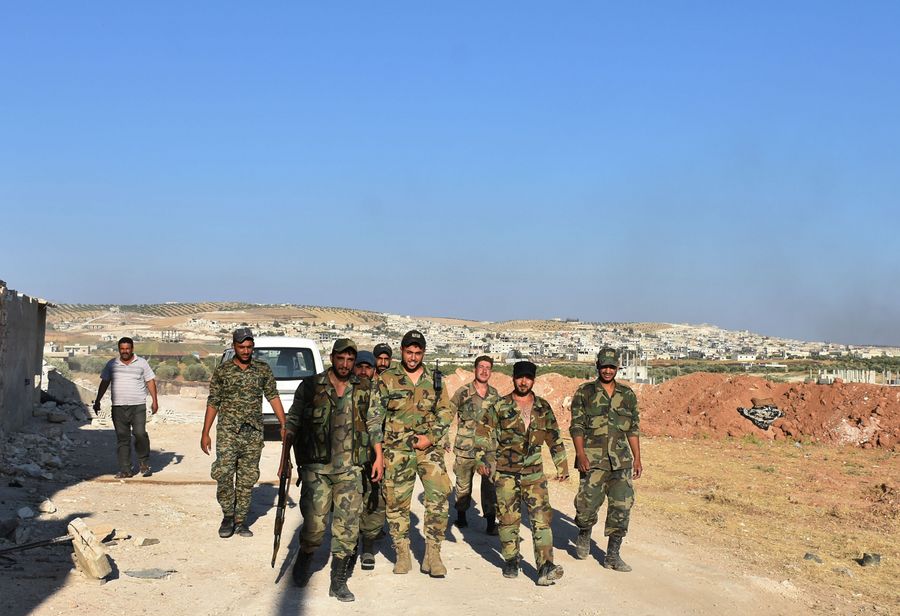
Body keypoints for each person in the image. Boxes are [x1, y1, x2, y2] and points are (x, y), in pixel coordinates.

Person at [286, 339, 383, 602]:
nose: (345, 364)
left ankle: (338, 581)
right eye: (341, 358)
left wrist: (379, 456)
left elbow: (374, 423)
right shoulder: (311, 386)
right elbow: (293, 421)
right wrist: (285, 458)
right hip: (316, 469)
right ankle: (305, 555)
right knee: (315, 527)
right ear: (332, 358)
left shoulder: (365, 388)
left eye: (350, 360)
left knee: (347, 528)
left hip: (350, 469)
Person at [475, 360, 568, 585]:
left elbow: (554, 437)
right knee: (508, 519)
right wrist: (482, 459)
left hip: (534, 473)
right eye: (519, 377)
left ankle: (546, 566)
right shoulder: (500, 406)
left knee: (542, 520)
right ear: (513, 378)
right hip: (506, 473)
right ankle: (511, 559)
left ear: (533, 380)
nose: (523, 382)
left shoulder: (543, 407)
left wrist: (562, 465)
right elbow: (483, 433)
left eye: (528, 378)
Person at [370, 330, 452, 577]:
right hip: (396, 451)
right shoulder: (387, 379)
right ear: (402, 351)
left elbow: (445, 412)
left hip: (429, 450)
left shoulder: (435, 380)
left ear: (423, 353)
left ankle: (433, 555)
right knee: (396, 503)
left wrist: (431, 437)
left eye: (418, 353)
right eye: (409, 352)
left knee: (438, 499)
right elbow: (374, 419)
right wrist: (378, 456)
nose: (413, 357)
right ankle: (402, 553)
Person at [200, 328, 286, 539]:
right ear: (234, 347)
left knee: (247, 479)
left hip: (253, 434)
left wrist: (284, 424)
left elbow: (273, 396)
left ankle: (240, 521)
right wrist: (205, 432)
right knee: (224, 474)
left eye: (249, 347)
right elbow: (214, 401)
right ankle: (228, 516)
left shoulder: (262, 370)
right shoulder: (223, 371)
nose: (246, 351)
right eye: (242, 347)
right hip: (228, 432)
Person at [570, 348, 642, 572]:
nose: (608, 370)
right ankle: (584, 532)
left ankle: (612, 555)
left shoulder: (627, 395)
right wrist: (580, 454)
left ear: (618, 367)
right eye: (604, 366)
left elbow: (633, 429)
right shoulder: (585, 392)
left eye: (612, 366)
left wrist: (637, 459)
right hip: (593, 461)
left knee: (622, 506)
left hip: (621, 461)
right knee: (586, 507)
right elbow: (576, 426)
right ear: (597, 366)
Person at [93, 337, 159, 478]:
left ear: (132, 349)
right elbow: (104, 382)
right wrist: (97, 400)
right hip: (118, 407)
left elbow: (150, 381)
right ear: (119, 349)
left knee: (140, 433)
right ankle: (125, 469)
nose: (125, 351)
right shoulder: (112, 364)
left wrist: (155, 401)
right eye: (122, 349)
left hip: (138, 406)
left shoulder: (142, 363)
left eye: (127, 348)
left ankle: (144, 463)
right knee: (123, 438)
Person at [450, 355, 500, 534]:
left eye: (488, 368)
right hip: (466, 448)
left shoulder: (495, 395)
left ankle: (490, 523)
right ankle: (461, 517)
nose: (484, 371)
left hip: (488, 449)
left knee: (490, 486)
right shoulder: (463, 392)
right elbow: (447, 413)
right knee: (463, 485)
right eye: (481, 367)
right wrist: (443, 438)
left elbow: (500, 421)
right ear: (475, 369)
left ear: (491, 371)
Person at [354, 349, 387, 569]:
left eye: (368, 367)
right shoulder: (344, 390)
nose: (364, 371)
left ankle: (368, 545)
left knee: (375, 501)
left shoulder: (382, 391)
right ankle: (349, 544)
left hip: (374, 456)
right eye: (360, 366)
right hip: (350, 457)